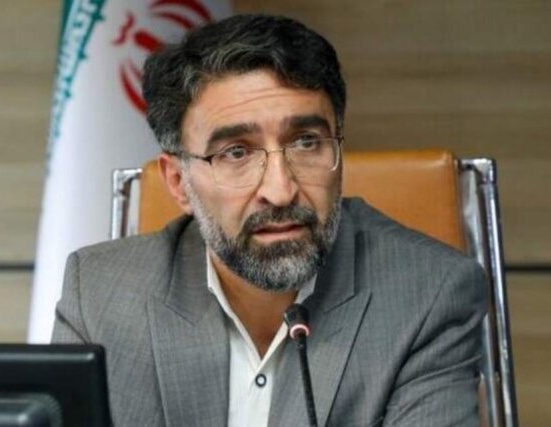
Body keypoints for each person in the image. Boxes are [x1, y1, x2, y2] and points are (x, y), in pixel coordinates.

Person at [52, 14, 487, 426]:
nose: (280, 191)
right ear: (179, 183)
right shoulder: (99, 294)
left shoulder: (428, 296)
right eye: (236, 152)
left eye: (306, 143)